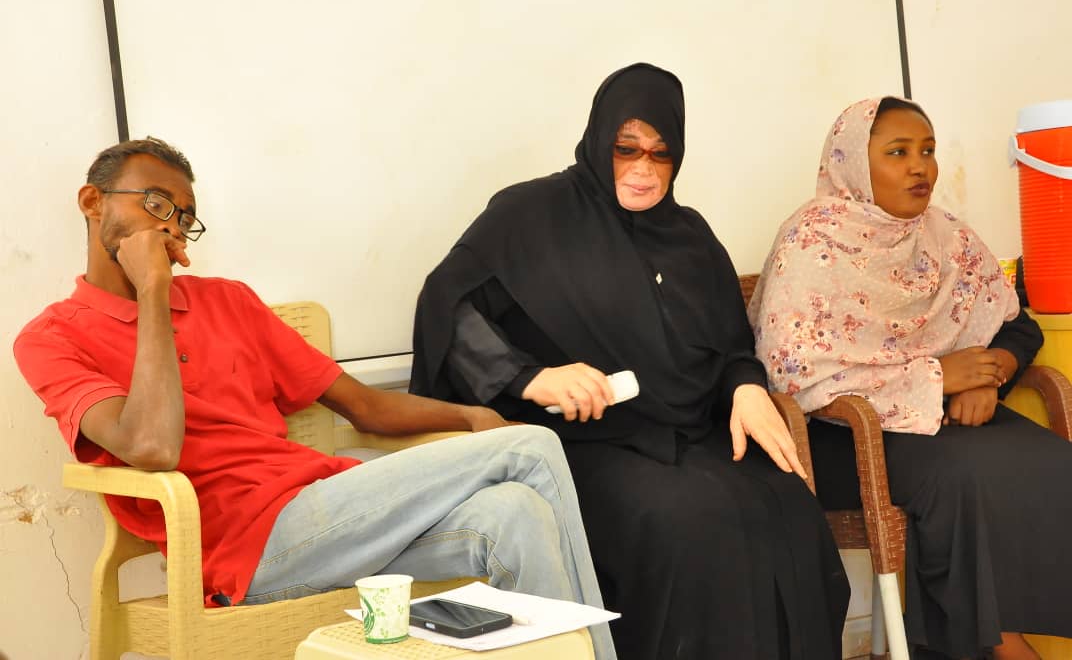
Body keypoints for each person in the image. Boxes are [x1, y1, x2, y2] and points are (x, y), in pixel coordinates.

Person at [13, 137, 615, 660]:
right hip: (243, 549)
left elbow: (364, 405)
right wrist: (152, 289)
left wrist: (470, 415)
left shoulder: (228, 301)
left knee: (515, 512)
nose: (171, 225)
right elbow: (152, 446)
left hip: (325, 509)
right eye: (155, 204)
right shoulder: (52, 338)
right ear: (93, 202)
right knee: (533, 447)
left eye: (185, 215)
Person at [410, 63, 850, 660]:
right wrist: (531, 377)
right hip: (584, 445)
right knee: (686, 527)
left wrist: (746, 386)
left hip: (691, 437)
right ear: (600, 141)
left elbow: (729, 346)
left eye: (660, 153)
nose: (644, 168)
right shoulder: (531, 214)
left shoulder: (690, 236)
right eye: (627, 148)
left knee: (793, 515)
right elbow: (447, 304)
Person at [748, 96, 1072, 660]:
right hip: (846, 437)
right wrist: (937, 377)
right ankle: (1003, 644)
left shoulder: (946, 236)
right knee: (965, 476)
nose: (920, 167)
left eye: (927, 150)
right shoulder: (812, 240)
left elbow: (1015, 325)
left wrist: (989, 376)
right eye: (898, 152)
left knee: (1052, 460)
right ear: (854, 162)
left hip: (946, 420)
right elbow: (794, 373)